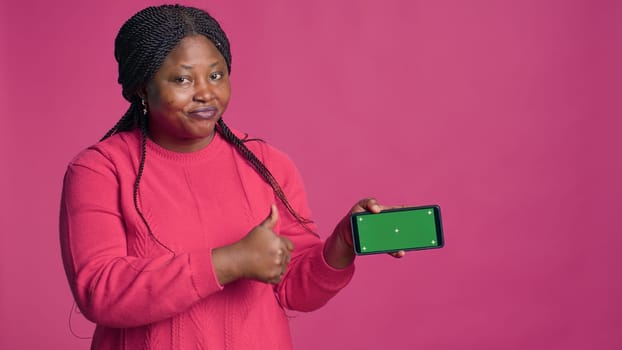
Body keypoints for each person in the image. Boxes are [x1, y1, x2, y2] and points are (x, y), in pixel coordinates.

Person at [59, 4, 404, 349]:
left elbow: (296, 288)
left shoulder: (267, 164)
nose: (206, 92)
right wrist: (230, 262)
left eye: (216, 75)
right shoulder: (99, 170)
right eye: (182, 79)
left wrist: (341, 243)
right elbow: (99, 291)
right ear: (141, 88)